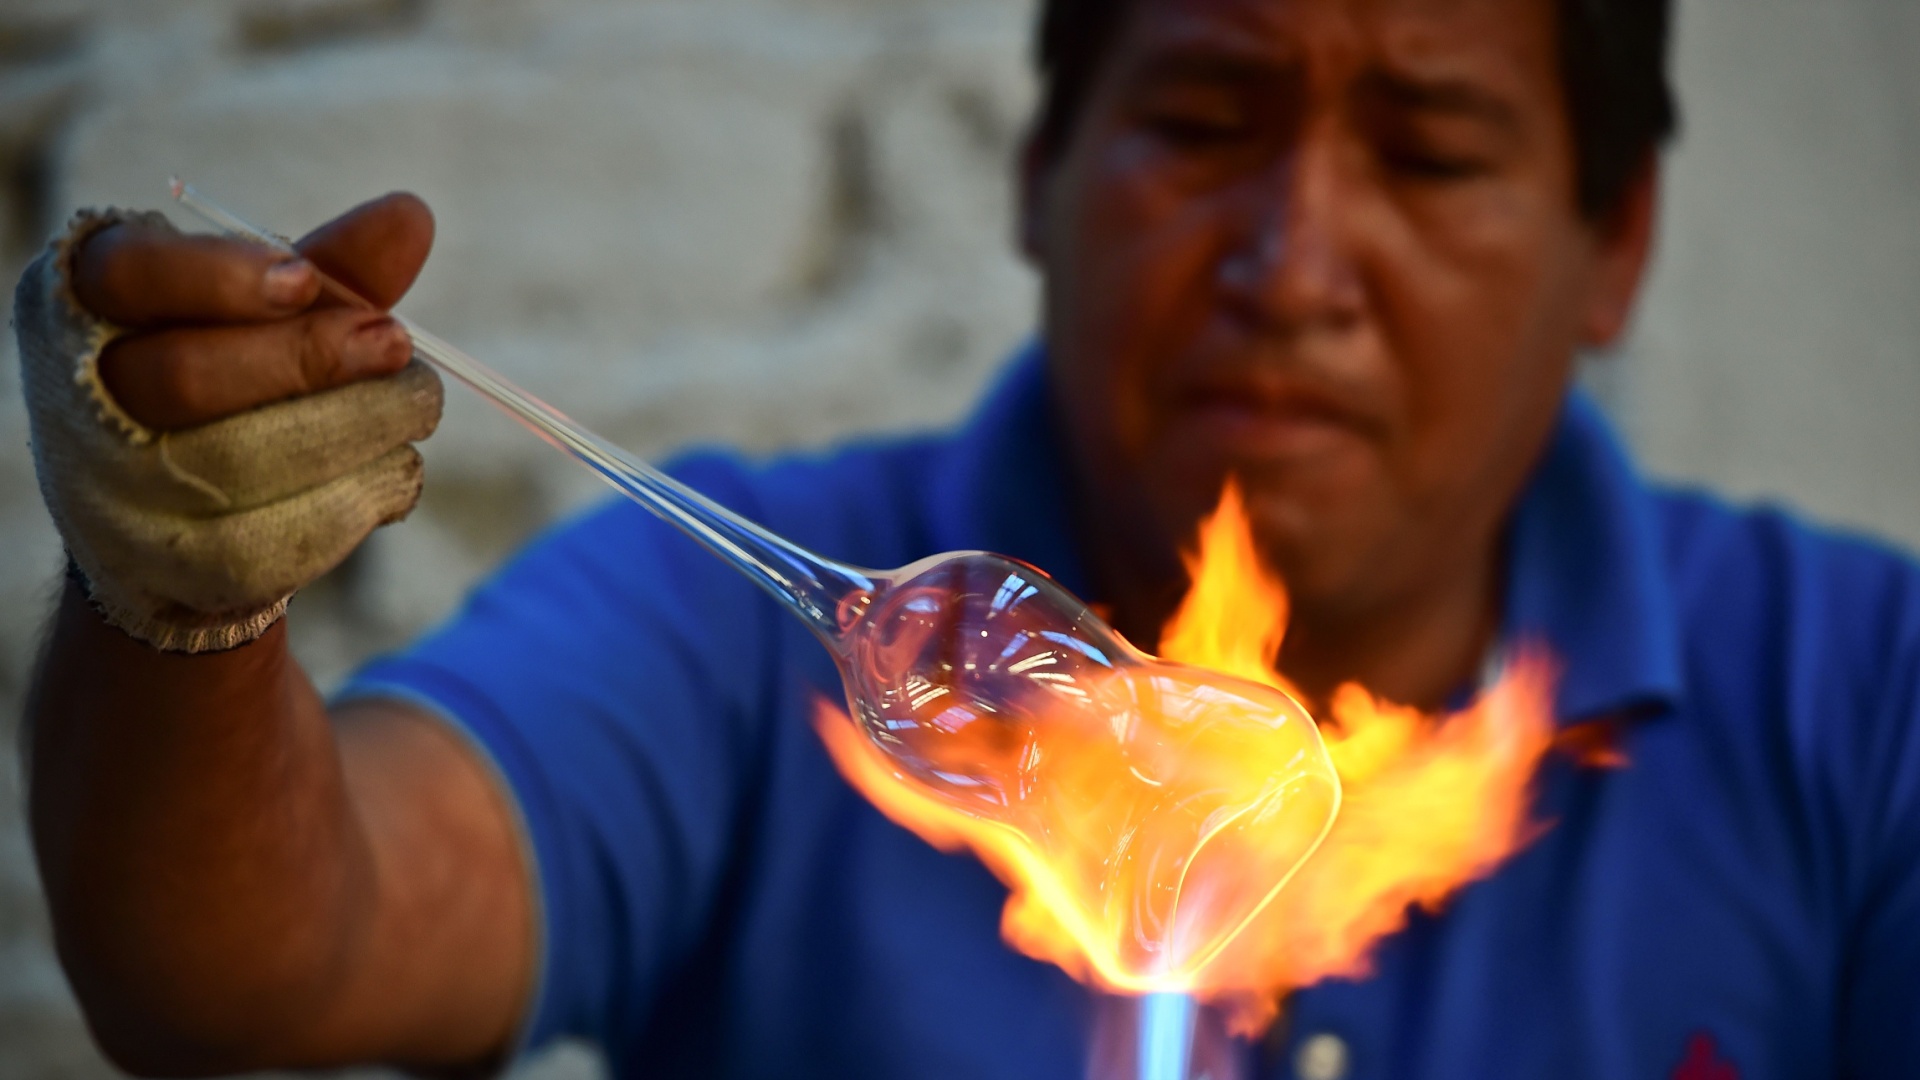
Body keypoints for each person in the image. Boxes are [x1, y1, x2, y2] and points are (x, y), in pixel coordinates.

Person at [14, 0, 1920, 1076]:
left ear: (1620, 244)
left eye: (1427, 155)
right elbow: (256, 965)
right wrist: (180, 605)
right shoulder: (742, 607)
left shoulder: (1864, 701)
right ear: (1037, 173)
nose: (1291, 267)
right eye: (1203, 120)